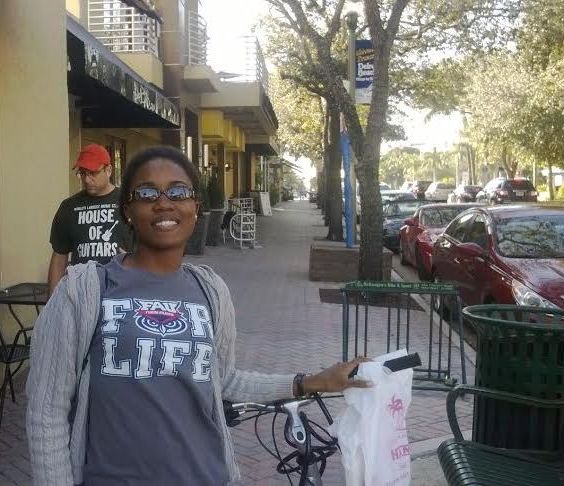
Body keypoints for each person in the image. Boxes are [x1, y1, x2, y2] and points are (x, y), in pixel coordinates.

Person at [26, 146, 370, 486]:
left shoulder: (210, 290)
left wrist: (309, 382)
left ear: (196, 207)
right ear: (127, 210)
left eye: (178, 192)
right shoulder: (83, 291)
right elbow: (46, 413)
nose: (164, 203)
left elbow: (224, 380)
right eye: (147, 193)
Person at [47, 144, 129, 295]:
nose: (87, 179)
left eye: (93, 173)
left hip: (121, 290)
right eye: (83, 173)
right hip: (81, 292)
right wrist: (52, 301)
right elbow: (59, 257)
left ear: (108, 170)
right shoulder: (69, 207)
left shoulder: (129, 203)